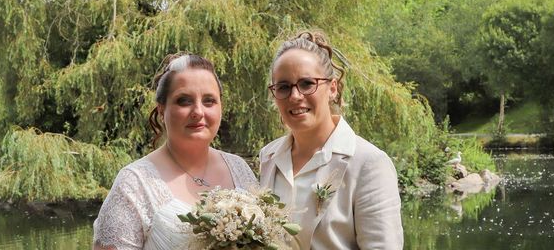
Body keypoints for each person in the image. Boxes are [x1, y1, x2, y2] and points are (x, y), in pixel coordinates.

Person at [93, 53, 258, 250]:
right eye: (184, 101)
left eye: (209, 101)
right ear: (162, 110)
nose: (198, 111)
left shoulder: (239, 168)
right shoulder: (134, 184)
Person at [259, 31, 403, 249]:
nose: (295, 96)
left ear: (332, 89)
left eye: (307, 83)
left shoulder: (368, 163)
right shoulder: (268, 157)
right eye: (284, 87)